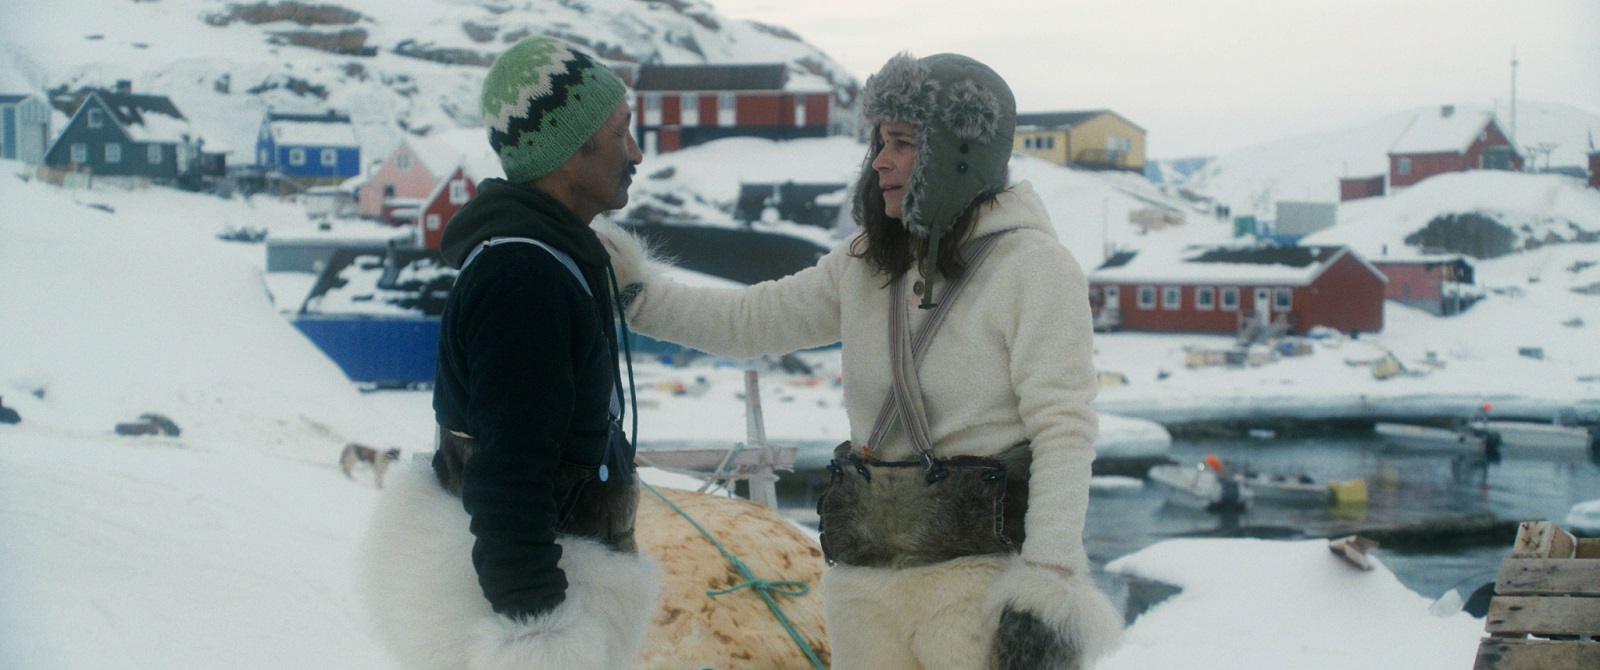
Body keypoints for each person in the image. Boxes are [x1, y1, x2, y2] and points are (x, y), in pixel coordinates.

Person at [602, 52, 1122, 668]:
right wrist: (633, 295)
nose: (879, 160)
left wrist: (1048, 581)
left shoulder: (1034, 268)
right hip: (864, 591)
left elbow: (1063, 428)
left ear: (957, 150)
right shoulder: (864, 264)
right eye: (879, 141)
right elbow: (751, 321)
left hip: (976, 592)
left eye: (901, 142)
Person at [357, 35, 659, 670]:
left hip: (564, 584)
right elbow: (509, 476)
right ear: (571, 149)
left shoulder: (547, 259)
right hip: (535, 617)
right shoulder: (525, 278)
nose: (636, 152)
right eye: (620, 132)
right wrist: (540, 635)